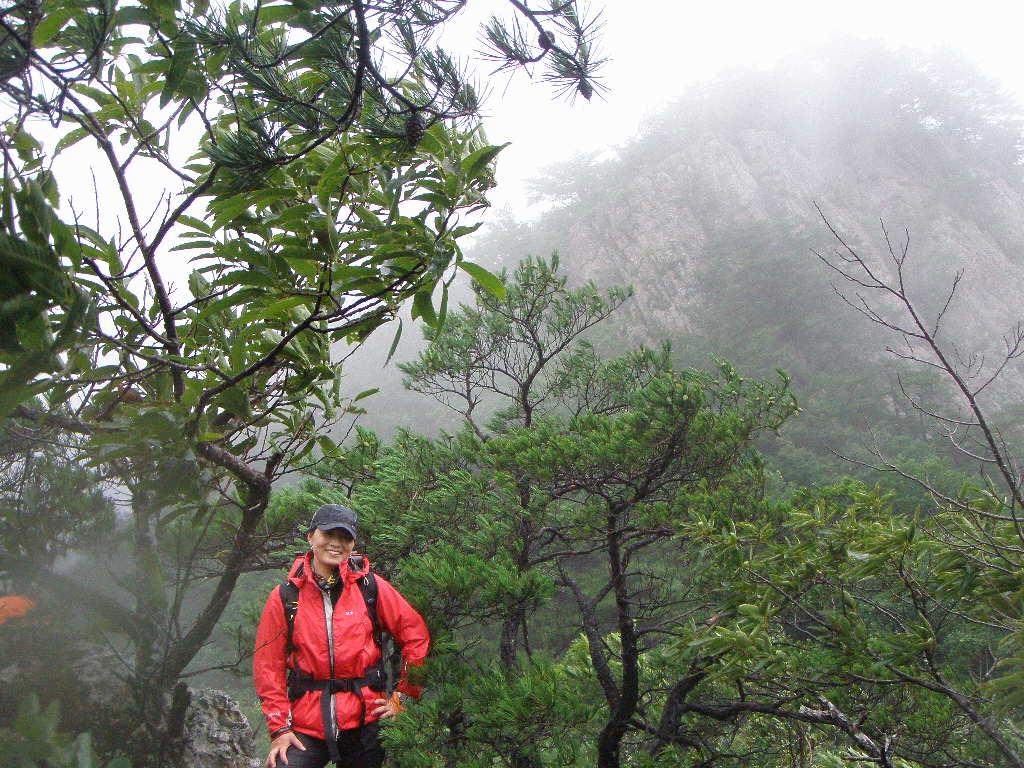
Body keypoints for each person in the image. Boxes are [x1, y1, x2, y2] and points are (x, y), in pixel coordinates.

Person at [254, 504, 429, 768]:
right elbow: (268, 668)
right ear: (311, 537)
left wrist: (403, 695)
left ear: (353, 543)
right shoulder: (286, 597)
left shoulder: (370, 587)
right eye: (328, 535)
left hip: (366, 720)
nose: (336, 544)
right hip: (306, 723)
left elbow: (416, 635)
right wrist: (279, 729)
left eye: (344, 537)